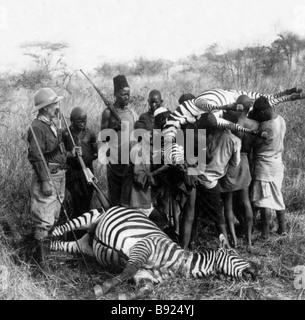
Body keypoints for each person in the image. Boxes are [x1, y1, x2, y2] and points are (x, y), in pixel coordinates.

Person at [27, 87, 78, 270]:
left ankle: (42, 259)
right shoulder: (37, 127)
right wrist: (45, 180)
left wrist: (70, 153)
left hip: (59, 175)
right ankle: (40, 266)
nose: (58, 107)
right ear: (46, 107)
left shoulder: (52, 125)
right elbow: (36, 156)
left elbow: (55, 152)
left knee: (53, 217)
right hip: (49, 177)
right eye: (54, 104)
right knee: (44, 220)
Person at [195, 112, 242, 245]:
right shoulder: (235, 141)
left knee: (195, 211)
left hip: (198, 175)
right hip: (210, 180)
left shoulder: (210, 135)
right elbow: (234, 163)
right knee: (218, 216)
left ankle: (192, 241)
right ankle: (226, 245)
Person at [219, 95, 258, 248]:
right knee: (246, 201)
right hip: (245, 162)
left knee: (227, 204)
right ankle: (248, 241)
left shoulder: (229, 123)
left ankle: (233, 239)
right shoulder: (254, 125)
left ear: (239, 106)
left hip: (229, 163)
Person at [250, 96, 287, 239]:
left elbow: (256, 144)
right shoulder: (281, 120)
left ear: (262, 113)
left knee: (264, 199)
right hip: (277, 162)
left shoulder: (266, 126)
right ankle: (282, 229)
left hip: (264, 164)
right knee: (277, 196)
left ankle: (265, 233)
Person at [100, 75, 138, 206]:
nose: (126, 97)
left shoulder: (132, 113)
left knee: (127, 200)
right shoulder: (108, 113)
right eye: (123, 94)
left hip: (129, 162)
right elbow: (103, 137)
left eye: (128, 94)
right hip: (115, 163)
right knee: (115, 200)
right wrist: (114, 128)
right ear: (115, 95)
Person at [62, 107, 98, 222]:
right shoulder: (66, 133)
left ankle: (85, 227)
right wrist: (72, 155)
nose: (83, 124)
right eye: (79, 121)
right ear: (72, 121)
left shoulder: (90, 134)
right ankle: (75, 227)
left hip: (87, 172)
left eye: (85, 121)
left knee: (86, 200)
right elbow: (61, 153)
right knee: (76, 202)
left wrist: (86, 158)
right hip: (73, 173)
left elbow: (95, 153)